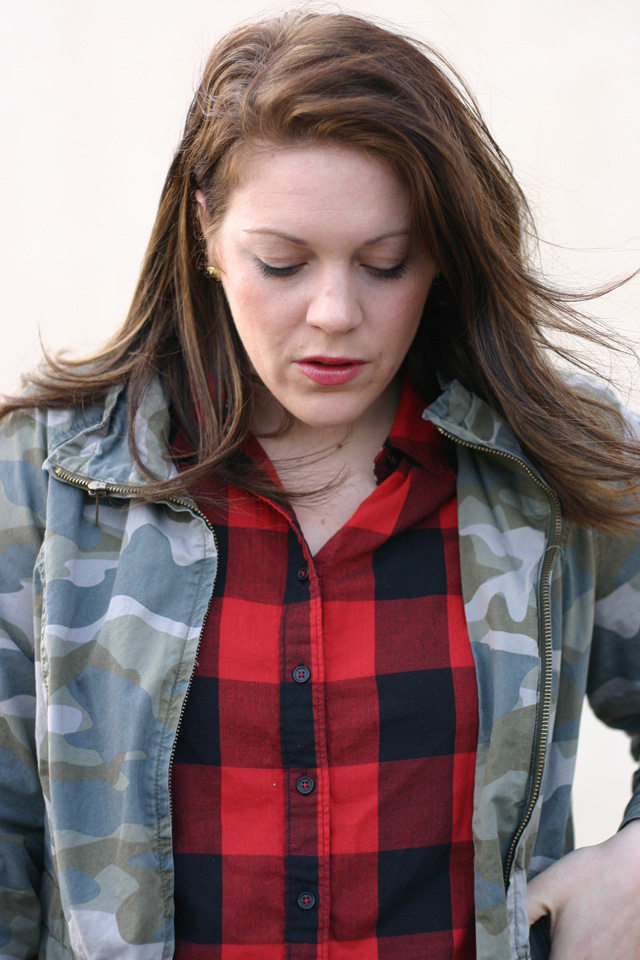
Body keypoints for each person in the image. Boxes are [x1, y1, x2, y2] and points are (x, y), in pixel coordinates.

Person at [1, 10, 639, 960]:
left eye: (386, 263)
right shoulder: (43, 480)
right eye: (283, 263)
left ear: (442, 252)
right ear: (207, 234)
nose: (335, 313)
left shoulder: (557, 456)